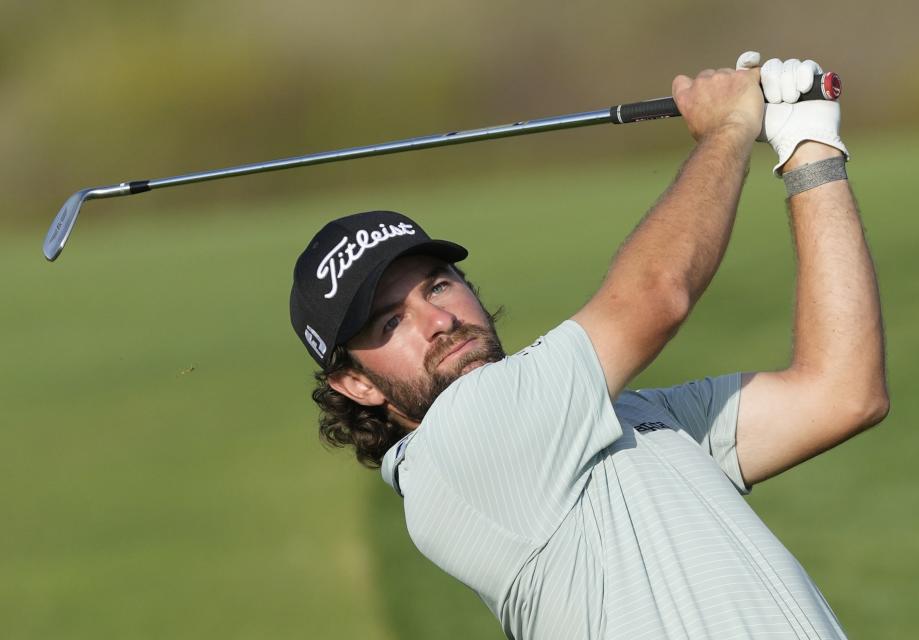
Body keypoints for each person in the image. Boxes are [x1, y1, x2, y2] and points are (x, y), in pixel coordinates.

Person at [288, 51, 888, 639]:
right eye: (389, 324)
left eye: (438, 286)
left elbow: (843, 393)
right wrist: (729, 126)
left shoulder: (624, 416)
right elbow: (655, 296)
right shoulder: (457, 448)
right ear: (356, 384)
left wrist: (810, 147)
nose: (437, 321)